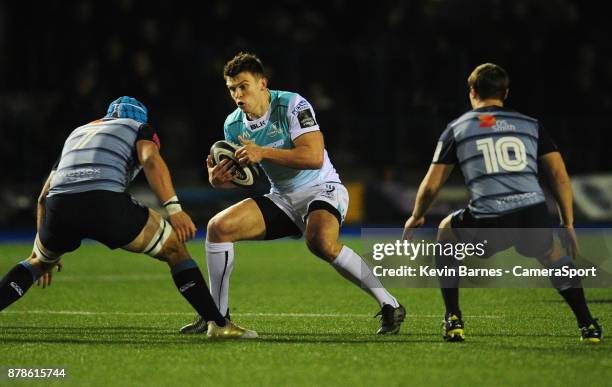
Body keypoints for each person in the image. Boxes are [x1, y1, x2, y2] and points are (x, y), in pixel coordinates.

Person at [180, 52, 405, 335]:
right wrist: (219, 179)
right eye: (232, 88)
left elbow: (313, 157)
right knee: (218, 228)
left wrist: (262, 152)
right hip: (282, 197)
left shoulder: (292, 104)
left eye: (243, 86)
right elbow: (247, 175)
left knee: (320, 242)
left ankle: (390, 304)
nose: (238, 94)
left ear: (262, 83)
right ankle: (218, 318)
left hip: (322, 188)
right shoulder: (233, 124)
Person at [0, 96, 256, 339]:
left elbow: (43, 197)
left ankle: (32, 268)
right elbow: (150, 160)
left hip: (59, 206)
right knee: (175, 249)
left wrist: (42, 252)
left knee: (34, 263)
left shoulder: (78, 133)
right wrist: (174, 210)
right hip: (104, 202)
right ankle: (218, 323)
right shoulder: (140, 128)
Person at [402, 63, 602, 343]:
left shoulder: (457, 128)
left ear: (472, 92)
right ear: (505, 93)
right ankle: (588, 325)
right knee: (553, 255)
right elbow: (558, 175)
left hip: (490, 218)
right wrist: (567, 222)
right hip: (532, 211)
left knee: (447, 230)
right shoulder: (530, 124)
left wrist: (417, 215)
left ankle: (453, 318)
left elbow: (432, 184)